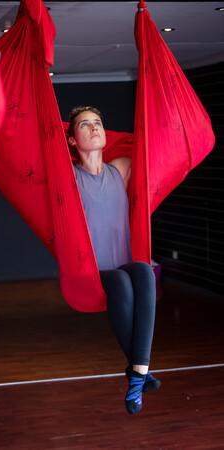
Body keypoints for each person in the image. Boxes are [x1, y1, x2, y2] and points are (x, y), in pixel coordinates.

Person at [68, 106, 160, 415]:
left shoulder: (120, 169)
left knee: (144, 271)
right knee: (121, 281)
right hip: (89, 272)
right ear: (72, 140)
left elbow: (155, 151)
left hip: (121, 265)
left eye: (97, 123)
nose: (93, 128)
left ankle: (138, 371)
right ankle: (139, 376)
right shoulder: (69, 177)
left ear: (106, 134)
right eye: (84, 125)